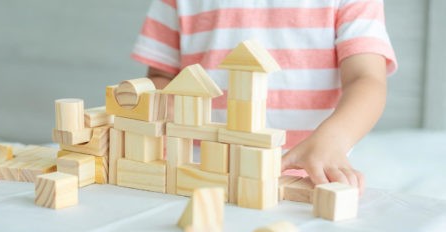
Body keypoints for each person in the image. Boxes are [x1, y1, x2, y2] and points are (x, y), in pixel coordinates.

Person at [131, 0, 398, 194]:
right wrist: (149, 103)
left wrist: (334, 140)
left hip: (306, 174)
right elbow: (162, 77)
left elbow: (366, 79)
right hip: (197, 169)